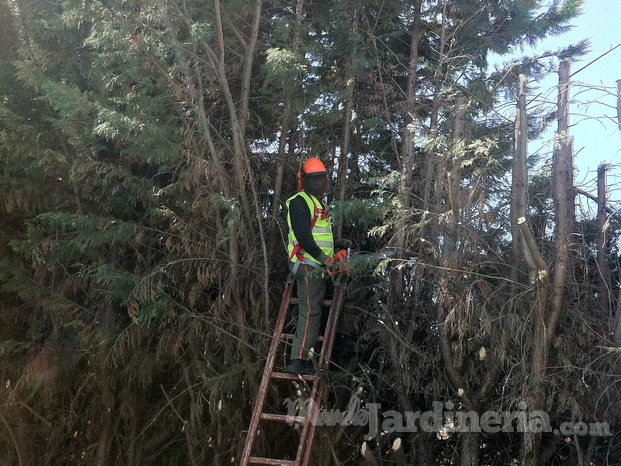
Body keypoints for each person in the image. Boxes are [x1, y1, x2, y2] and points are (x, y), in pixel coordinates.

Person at [285, 157, 352, 375]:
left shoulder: (319, 204)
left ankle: (342, 339)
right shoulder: (299, 202)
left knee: (346, 293)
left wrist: (340, 244)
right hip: (306, 264)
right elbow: (304, 237)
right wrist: (325, 260)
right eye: (312, 179)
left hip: (320, 265)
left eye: (320, 179)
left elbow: (321, 236)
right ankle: (299, 359)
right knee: (311, 309)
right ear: (304, 180)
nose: (316, 183)